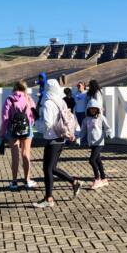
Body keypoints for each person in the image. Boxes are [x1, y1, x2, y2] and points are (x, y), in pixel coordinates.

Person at [33, 79, 82, 208]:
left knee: (47, 169)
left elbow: (47, 124)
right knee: (52, 168)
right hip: (61, 137)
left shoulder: (48, 103)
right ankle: (74, 182)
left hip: (52, 138)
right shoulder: (61, 101)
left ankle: (49, 198)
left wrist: (37, 121)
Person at [0, 81, 38, 190]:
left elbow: (5, 118)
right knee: (26, 154)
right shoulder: (28, 99)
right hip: (27, 129)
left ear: (14, 88)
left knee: (15, 156)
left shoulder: (9, 99)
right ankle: (27, 180)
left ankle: (14, 182)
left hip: (12, 130)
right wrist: (29, 124)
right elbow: (33, 115)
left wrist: (2, 134)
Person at [80, 97, 112, 190]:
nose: (93, 110)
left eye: (95, 108)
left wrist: (109, 134)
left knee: (92, 160)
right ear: (88, 109)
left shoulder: (101, 118)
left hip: (99, 143)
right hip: (92, 143)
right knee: (98, 161)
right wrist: (77, 138)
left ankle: (97, 179)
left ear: (98, 109)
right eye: (91, 108)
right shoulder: (86, 120)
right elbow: (82, 131)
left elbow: (108, 128)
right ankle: (104, 179)